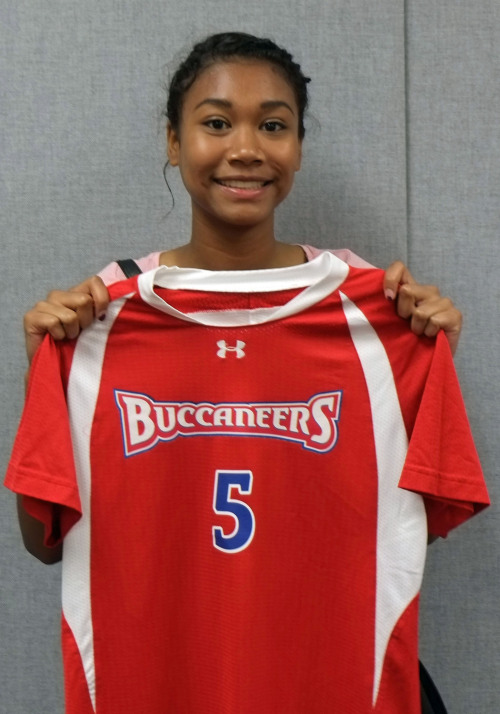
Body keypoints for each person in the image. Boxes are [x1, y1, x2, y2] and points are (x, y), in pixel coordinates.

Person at [6, 32, 487, 714]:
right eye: (215, 122)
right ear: (173, 142)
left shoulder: (378, 319)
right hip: (163, 686)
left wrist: (426, 367)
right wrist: (46, 380)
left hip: (330, 685)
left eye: (273, 125)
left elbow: (414, 526)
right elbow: (46, 541)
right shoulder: (94, 321)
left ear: (296, 147)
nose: (245, 148)